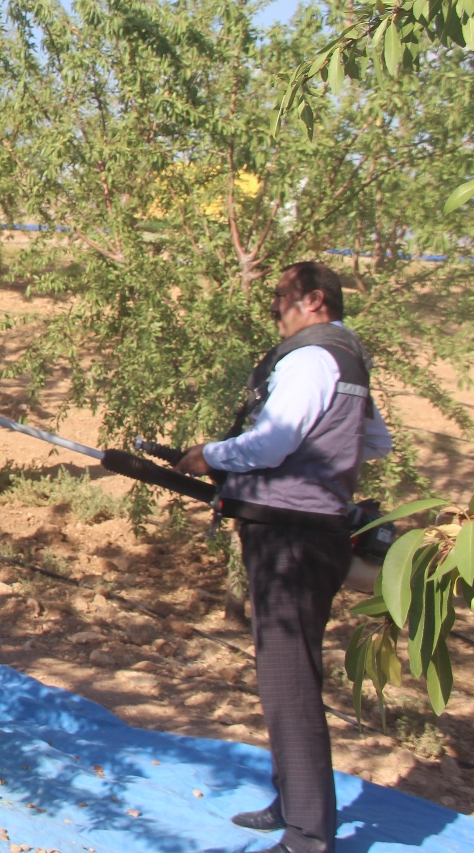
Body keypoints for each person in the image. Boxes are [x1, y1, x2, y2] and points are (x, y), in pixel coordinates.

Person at [178, 261, 392, 853]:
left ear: (313, 300)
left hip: (291, 540)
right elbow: (375, 442)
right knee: (292, 670)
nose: (273, 308)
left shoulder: (309, 357)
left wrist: (210, 455)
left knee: (287, 681)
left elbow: (272, 441)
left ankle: (307, 836)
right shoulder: (350, 358)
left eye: (280, 298)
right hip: (316, 532)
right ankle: (294, 802)